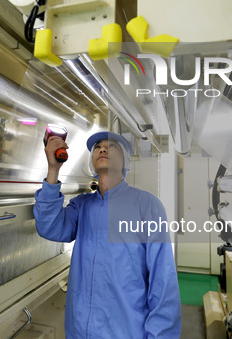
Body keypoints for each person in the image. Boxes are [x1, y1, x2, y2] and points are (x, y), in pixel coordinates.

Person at [34, 131, 182, 338]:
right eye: (97, 147)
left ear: (125, 160)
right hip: (79, 331)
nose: (102, 148)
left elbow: (163, 281)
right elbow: (49, 226)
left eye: (112, 146)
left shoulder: (147, 206)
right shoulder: (82, 205)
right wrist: (53, 169)